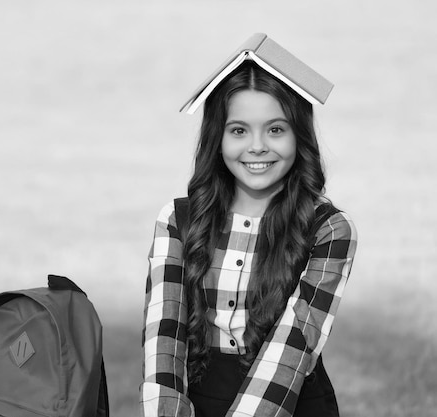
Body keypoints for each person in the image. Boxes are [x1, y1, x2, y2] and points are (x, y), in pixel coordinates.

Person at [140, 36, 358, 417]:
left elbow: (295, 342)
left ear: (299, 135)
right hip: (200, 398)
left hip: (289, 399)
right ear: (217, 137)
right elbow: (164, 336)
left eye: (275, 130)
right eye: (239, 131)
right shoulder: (177, 219)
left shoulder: (330, 229)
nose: (257, 146)